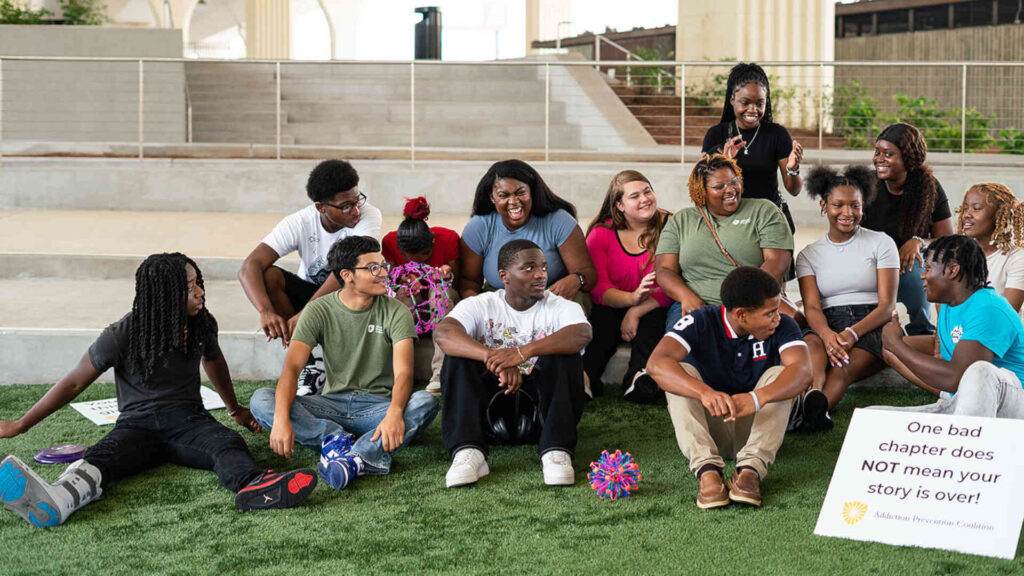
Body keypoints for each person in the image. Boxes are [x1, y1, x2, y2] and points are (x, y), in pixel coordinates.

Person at [0, 254, 316, 527]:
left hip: (189, 423)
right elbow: (74, 382)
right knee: (101, 457)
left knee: (227, 443)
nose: (200, 291)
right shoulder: (121, 333)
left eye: (198, 282)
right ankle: (59, 498)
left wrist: (235, 409)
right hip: (137, 427)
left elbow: (213, 360)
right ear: (165, 294)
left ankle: (255, 486)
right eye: (190, 287)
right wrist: (22, 424)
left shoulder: (202, 323)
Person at [248, 236, 439, 491]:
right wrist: (281, 419)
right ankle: (338, 440)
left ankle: (355, 458)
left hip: (377, 409)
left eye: (383, 266)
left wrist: (394, 413)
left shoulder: (397, 311)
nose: (384, 273)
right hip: (329, 404)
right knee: (261, 399)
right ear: (347, 275)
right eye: (373, 268)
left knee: (425, 402)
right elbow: (291, 370)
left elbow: (404, 373)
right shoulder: (318, 310)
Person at [647, 267, 810, 509]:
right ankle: (707, 471)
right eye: (769, 313)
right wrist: (704, 392)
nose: (778, 317)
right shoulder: (701, 320)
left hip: (756, 428)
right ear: (741, 314)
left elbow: (804, 372)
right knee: (679, 374)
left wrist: (756, 398)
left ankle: (750, 471)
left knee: (781, 375)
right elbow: (656, 364)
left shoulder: (783, 325)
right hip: (712, 427)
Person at [435, 239, 591, 488]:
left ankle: (556, 451)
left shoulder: (561, 306)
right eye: (529, 268)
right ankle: (468, 450)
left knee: (565, 351)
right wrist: (494, 358)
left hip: (542, 416)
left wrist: (521, 353)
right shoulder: (481, 304)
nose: (540, 274)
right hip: (487, 415)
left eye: (543, 267)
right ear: (504, 276)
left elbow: (582, 333)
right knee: (458, 355)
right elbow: (444, 333)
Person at [239, 159, 383, 393]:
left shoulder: (369, 215)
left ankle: (346, 365)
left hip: (351, 298)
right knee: (269, 276)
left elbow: (349, 265)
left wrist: (307, 313)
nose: (356, 210)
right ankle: (309, 363)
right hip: (313, 294)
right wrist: (265, 311)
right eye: (345, 206)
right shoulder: (299, 222)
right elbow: (249, 267)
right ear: (321, 207)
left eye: (357, 200)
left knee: (354, 274)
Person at [796, 166, 899, 432]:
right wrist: (827, 335)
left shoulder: (882, 243)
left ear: (863, 206)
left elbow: (887, 306)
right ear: (824, 206)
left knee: (842, 367)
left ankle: (812, 415)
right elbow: (812, 308)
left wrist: (852, 333)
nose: (847, 213)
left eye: (855, 205)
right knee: (812, 344)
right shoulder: (808, 255)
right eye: (838, 205)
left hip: (872, 322)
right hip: (827, 323)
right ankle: (813, 395)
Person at [878, 235, 1024, 419]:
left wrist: (896, 344)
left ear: (953, 270)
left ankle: (965, 430)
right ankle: (954, 413)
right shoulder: (949, 305)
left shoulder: (989, 308)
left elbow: (958, 378)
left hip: (1012, 404)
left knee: (979, 370)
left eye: (928, 268)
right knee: (871, 416)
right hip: (965, 399)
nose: (922, 275)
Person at [655, 153, 794, 330]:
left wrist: (748, 300)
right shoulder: (681, 220)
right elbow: (664, 270)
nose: (730, 190)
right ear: (702, 191)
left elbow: (777, 261)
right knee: (680, 345)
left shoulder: (764, 210)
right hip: (696, 304)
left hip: (753, 304)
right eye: (719, 186)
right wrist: (686, 297)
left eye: (734, 182)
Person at [459, 159, 596, 309]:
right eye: (503, 195)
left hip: (551, 297)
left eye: (521, 193)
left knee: (577, 299)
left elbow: (588, 274)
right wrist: (479, 308)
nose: (513, 201)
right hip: (501, 301)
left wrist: (577, 279)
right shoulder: (479, 226)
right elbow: (469, 281)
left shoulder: (559, 220)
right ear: (492, 197)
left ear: (532, 192)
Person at [583, 170, 671, 403]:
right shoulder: (601, 233)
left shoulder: (669, 226)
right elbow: (598, 288)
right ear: (619, 205)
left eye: (647, 191)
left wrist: (636, 310)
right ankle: (586, 379)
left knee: (654, 325)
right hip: (611, 304)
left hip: (653, 305)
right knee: (600, 325)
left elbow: (672, 281)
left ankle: (638, 380)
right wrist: (631, 299)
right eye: (635, 196)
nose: (645, 199)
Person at [862, 123, 953, 336]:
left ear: (908, 158)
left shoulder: (929, 187)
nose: (879, 159)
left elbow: (948, 240)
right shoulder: (866, 184)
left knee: (918, 269)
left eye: (888, 154)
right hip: (871, 260)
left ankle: (922, 331)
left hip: (907, 265)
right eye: (877, 152)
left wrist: (918, 241)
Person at [701, 62, 804, 232]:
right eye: (745, 102)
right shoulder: (716, 135)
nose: (752, 110)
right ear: (732, 100)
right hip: (729, 223)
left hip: (768, 220)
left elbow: (794, 190)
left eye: (759, 104)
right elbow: (700, 187)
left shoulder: (777, 134)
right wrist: (723, 162)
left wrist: (793, 169)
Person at [381, 196, 460, 395]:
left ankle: (439, 375)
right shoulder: (389, 241)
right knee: (402, 297)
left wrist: (446, 274)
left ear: (432, 241)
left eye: (425, 255)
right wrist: (404, 280)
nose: (419, 262)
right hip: (414, 300)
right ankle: (387, 371)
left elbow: (457, 280)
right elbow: (390, 280)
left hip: (442, 299)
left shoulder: (448, 238)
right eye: (409, 258)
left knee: (439, 293)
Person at [957, 182, 1024, 317]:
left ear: (997, 215)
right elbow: (944, 302)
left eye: (976, 208)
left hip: (997, 328)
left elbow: (1005, 314)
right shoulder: (958, 255)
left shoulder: (1017, 258)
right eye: (965, 208)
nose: (967, 214)